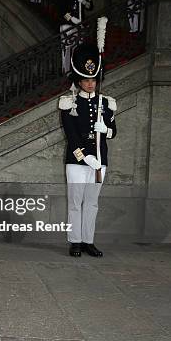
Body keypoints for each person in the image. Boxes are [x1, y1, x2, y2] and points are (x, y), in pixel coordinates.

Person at [58, 43, 116, 258]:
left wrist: (107, 129)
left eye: (93, 80)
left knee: (92, 203)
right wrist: (87, 156)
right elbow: (71, 136)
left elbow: (114, 131)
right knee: (75, 202)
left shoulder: (106, 103)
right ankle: (75, 242)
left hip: (101, 161)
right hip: (77, 161)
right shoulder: (69, 103)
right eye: (86, 80)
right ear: (79, 81)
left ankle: (88, 241)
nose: (91, 84)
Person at [57, 0, 93, 76]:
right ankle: (67, 71)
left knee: (79, 48)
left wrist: (84, 2)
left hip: (80, 23)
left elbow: (90, 6)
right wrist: (72, 19)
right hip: (67, 24)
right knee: (67, 48)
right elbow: (61, 9)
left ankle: (77, 69)